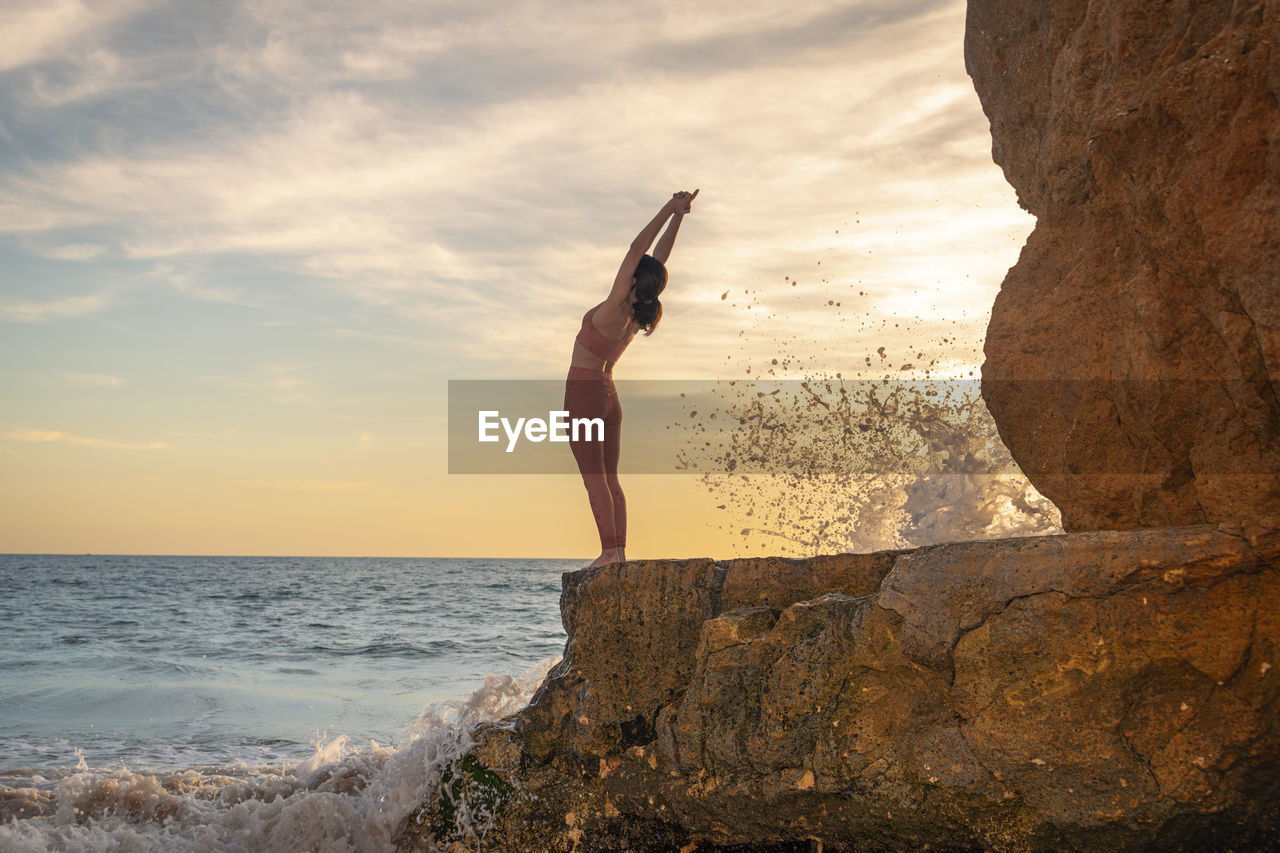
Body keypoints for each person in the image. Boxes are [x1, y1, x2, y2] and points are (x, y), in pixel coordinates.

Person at [565, 189, 698, 568]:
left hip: (584, 392)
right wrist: (680, 218)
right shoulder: (639, 312)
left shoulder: (615, 306)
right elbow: (659, 258)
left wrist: (668, 208)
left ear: (633, 278)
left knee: (594, 479)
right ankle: (618, 553)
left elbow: (637, 248)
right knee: (611, 478)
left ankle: (609, 553)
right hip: (610, 396)